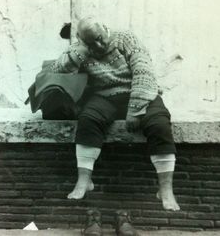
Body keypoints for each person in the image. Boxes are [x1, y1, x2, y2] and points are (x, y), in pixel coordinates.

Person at [49, 16, 180, 211]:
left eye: (100, 38)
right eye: (92, 42)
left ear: (105, 27)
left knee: (159, 124)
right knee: (88, 120)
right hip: (105, 96)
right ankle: (84, 181)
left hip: (140, 93)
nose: (99, 44)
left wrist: (135, 109)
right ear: (82, 40)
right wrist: (81, 51)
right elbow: (57, 71)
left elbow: (144, 73)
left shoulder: (126, 39)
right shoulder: (81, 49)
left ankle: (165, 190)